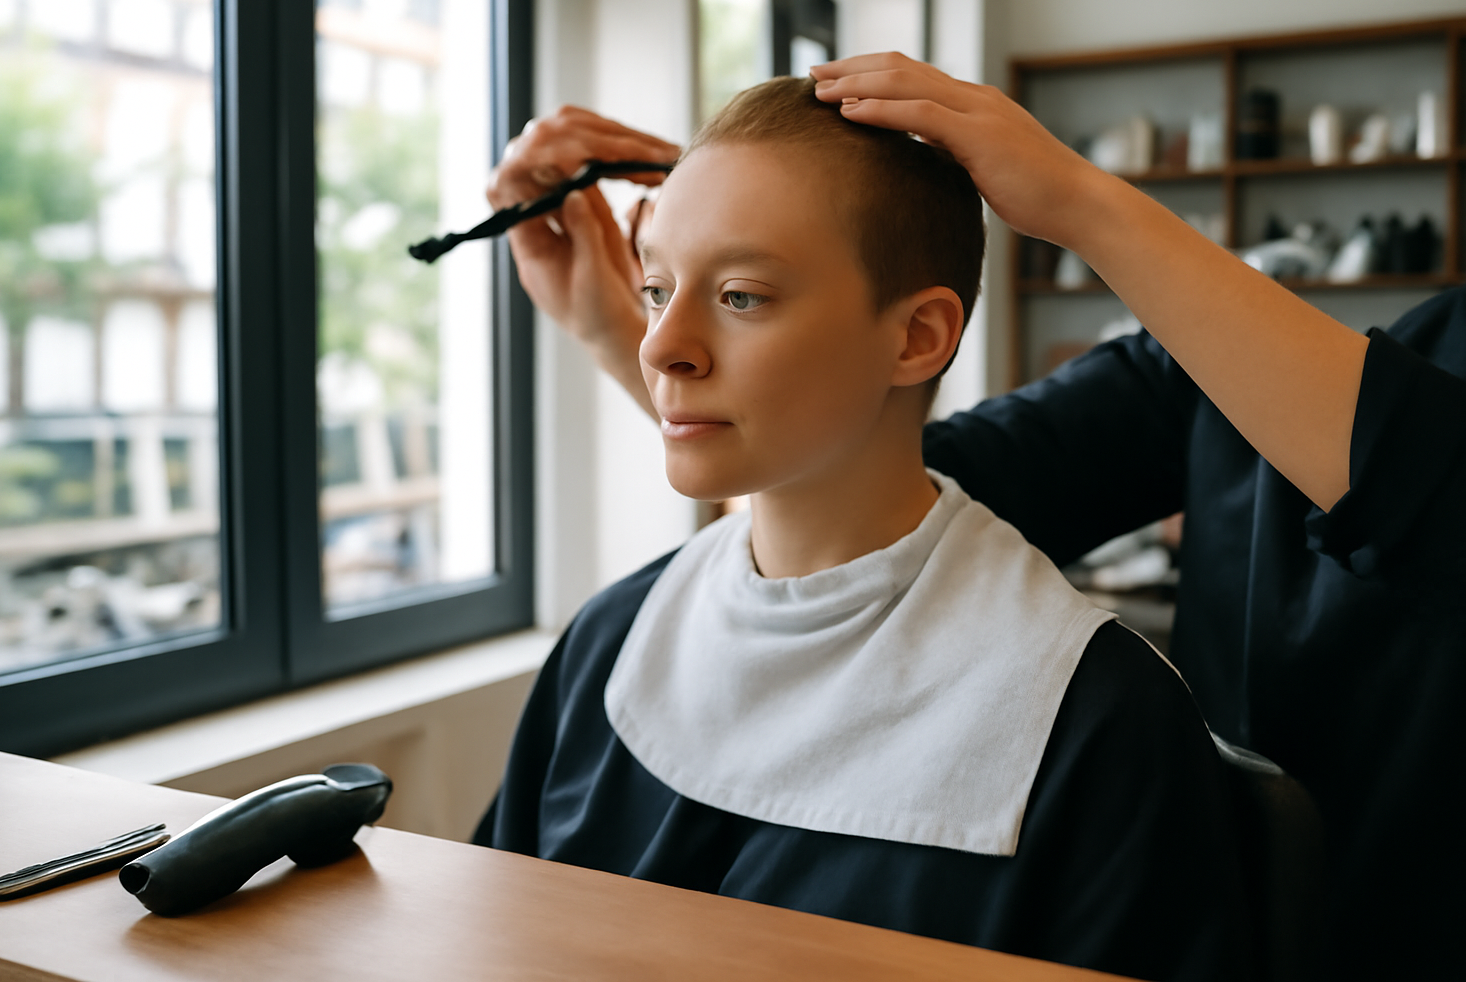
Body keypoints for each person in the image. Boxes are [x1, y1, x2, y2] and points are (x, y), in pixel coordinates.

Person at [492, 54, 1466, 980]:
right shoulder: (605, 643)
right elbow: (863, 469)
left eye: (745, 293)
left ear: (923, 333)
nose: (667, 341)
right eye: (660, 286)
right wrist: (708, 265)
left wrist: (1077, 201)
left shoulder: (1102, 726)